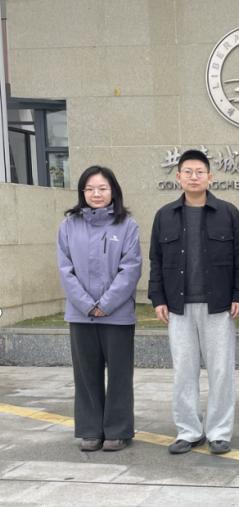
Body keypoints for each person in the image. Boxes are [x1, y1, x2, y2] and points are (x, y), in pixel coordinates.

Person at [148, 149, 239, 456]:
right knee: (184, 371)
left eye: (200, 172)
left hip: (218, 306)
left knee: (221, 371)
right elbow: (156, 260)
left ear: (210, 177)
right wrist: (157, 298)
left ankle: (219, 432)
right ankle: (188, 431)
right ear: (178, 177)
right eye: (188, 172)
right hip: (178, 307)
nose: (194, 177)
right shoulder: (164, 215)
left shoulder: (228, 212)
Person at [57, 166, 142, 452]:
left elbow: (131, 268)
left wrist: (105, 304)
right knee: (86, 374)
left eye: (103, 188)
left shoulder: (127, 226)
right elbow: (65, 270)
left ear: (113, 191)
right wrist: (86, 305)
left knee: (119, 375)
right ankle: (90, 430)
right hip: (80, 315)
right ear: (82, 192)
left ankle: (118, 430)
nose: (96, 193)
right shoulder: (68, 226)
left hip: (117, 315)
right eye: (90, 188)